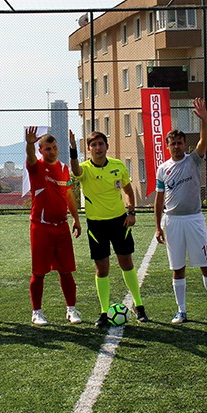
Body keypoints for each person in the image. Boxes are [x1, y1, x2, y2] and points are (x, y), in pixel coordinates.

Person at [154, 98, 207, 324]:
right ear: (167, 146)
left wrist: (204, 119)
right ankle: (181, 310)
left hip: (194, 220)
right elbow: (159, 200)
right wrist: (158, 226)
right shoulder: (163, 169)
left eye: (179, 143)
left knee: (206, 264)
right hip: (173, 221)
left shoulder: (194, 160)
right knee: (177, 268)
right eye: (172, 143)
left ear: (185, 144)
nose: (176, 146)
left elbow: (205, 140)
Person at [71, 129, 148, 328]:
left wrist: (131, 212)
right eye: (93, 145)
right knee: (102, 268)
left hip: (119, 222)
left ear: (107, 146)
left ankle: (139, 306)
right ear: (88, 149)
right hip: (96, 225)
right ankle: (104, 312)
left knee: (126, 262)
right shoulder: (85, 169)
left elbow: (129, 190)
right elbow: (76, 171)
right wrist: (72, 150)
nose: (98, 148)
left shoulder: (118, 166)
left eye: (101, 144)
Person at [24, 127, 81, 325]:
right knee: (39, 272)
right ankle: (37, 312)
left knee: (66, 271)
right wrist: (30, 144)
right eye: (47, 148)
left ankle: (71, 309)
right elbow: (30, 157)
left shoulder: (64, 168)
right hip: (40, 226)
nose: (52, 151)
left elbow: (68, 195)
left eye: (54, 148)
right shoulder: (36, 166)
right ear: (41, 151)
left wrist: (76, 218)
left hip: (62, 227)